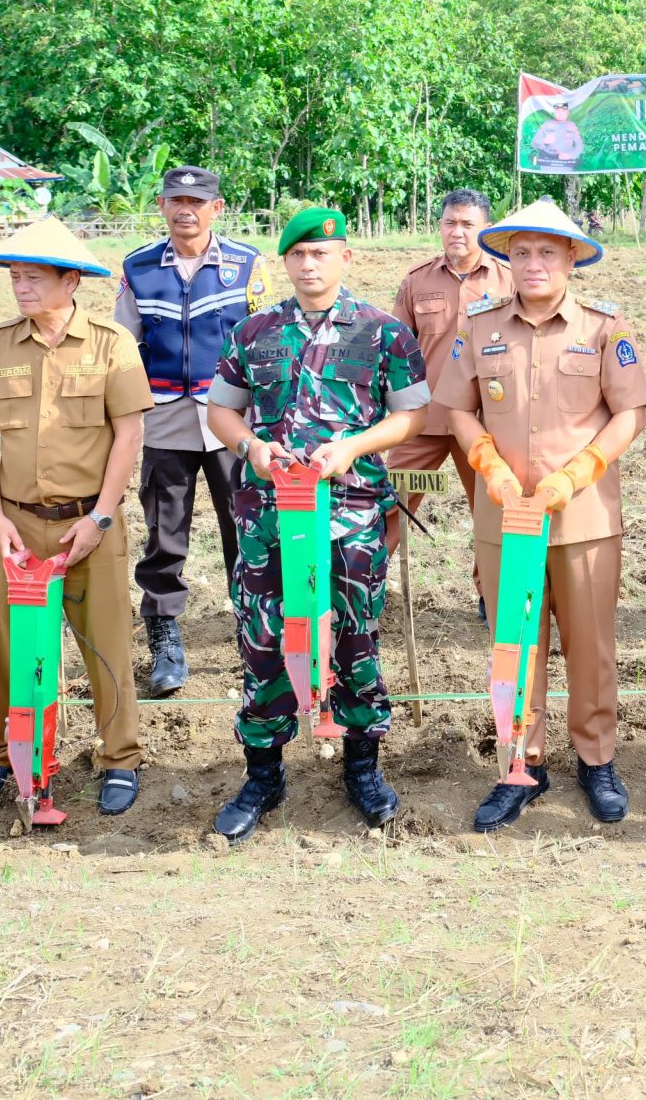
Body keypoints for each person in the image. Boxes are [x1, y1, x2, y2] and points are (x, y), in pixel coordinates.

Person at [203, 207, 428, 842]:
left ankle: (363, 767)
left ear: (345, 258)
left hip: (350, 513)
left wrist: (353, 446)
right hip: (268, 517)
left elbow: (411, 415)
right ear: (285, 261)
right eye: (298, 254)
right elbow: (220, 410)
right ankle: (263, 774)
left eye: (321, 254)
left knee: (356, 636)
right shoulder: (253, 333)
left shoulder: (384, 334)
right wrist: (251, 446)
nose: (309, 265)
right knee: (264, 636)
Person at [434, 199, 646, 830]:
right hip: (506, 519)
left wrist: (576, 474)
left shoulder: (604, 327)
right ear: (508, 257)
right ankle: (520, 763)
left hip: (584, 519)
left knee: (591, 647)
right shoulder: (479, 325)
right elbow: (459, 408)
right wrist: (488, 464)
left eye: (548, 252)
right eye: (522, 251)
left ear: (572, 258)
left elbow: (629, 413)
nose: (534, 263)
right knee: (515, 647)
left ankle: (596, 759)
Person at [0, 218, 154, 816]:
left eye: (34, 278)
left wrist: (101, 518)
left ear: (71, 282)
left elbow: (129, 434)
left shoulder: (111, 344)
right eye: (15, 277)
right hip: (18, 525)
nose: (21, 287)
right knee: (6, 644)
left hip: (88, 525)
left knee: (106, 643)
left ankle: (119, 757)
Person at [116, 166, 270, 697]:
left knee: (244, 527)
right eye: (176, 200)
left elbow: (262, 341)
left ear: (216, 208)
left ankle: (255, 633)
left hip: (231, 419)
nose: (186, 210)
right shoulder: (138, 267)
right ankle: (164, 637)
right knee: (165, 531)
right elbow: (122, 345)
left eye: (196, 201)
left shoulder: (246, 264)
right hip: (164, 417)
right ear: (162, 206)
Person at [387, 188, 513, 601]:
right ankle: (362, 589)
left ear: (486, 229)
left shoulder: (508, 279)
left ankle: (491, 596)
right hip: (423, 418)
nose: (457, 232)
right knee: (389, 503)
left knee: (493, 511)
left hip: (484, 423)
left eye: (467, 224)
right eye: (450, 223)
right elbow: (396, 348)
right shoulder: (417, 280)